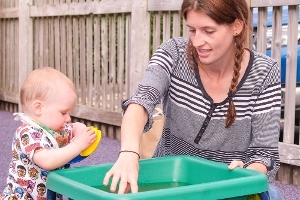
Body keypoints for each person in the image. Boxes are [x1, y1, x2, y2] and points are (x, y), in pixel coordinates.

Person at [103, 0, 283, 199]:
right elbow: (141, 102)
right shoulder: (173, 53)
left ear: (237, 26)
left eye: (208, 31)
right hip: (171, 182)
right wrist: (128, 153)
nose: (197, 41)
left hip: (227, 187)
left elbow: (264, 155)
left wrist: (247, 173)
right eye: (192, 30)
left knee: (272, 194)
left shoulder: (265, 72)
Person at [0, 67, 97, 200]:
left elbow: (74, 127)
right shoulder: (27, 133)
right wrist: (78, 144)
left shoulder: (56, 130)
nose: (68, 118)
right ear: (38, 108)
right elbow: (48, 161)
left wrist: (82, 131)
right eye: (63, 113)